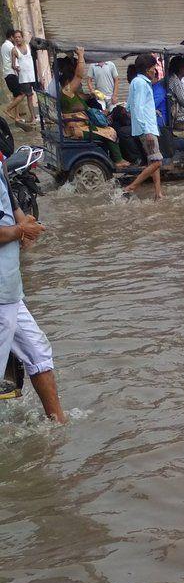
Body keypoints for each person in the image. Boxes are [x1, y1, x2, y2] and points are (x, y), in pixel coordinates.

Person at [0, 168, 64, 421]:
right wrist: (19, 231)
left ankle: (58, 423)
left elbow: (12, 206)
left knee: (38, 353)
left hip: (10, 289)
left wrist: (25, 228)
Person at [58, 47, 128, 168]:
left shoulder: (71, 94)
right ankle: (118, 160)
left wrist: (92, 95)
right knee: (110, 131)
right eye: (77, 83)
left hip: (80, 125)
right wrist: (80, 55)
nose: (79, 84)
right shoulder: (66, 91)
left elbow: (83, 97)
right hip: (79, 129)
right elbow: (79, 75)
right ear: (69, 81)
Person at [123, 52, 163, 199]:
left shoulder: (135, 82)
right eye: (153, 67)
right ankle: (131, 186)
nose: (155, 71)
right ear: (147, 69)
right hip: (148, 129)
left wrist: (151, 111)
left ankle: (158, 194)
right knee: (158, 161)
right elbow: (138, 107)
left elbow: (129, 107)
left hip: (145, 127)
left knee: (153, 160)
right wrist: (146, 130)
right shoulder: (141, 84)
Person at [12, 31, 37, 128]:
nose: (17, 39)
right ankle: (33, 118)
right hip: (24, 77)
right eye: (15, 37)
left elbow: (34, 59)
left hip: (33, 76)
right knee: (29, 97)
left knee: (37, 94)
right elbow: (13, 65)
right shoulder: (14, 50)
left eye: (19, 37)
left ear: (22, 37)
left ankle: (34, 117)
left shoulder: (29, 46)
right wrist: (16, 68)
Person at [2, 29, 27, 125]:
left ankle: (17, 116)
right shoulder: (11, 47)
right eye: (15, 37)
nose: (16, 39)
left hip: (7, 74)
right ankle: (8, 109)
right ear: (12, 37)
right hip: (11, 73)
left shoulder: (4, 46)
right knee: (22, 94)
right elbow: (16, 60)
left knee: (16, 95)